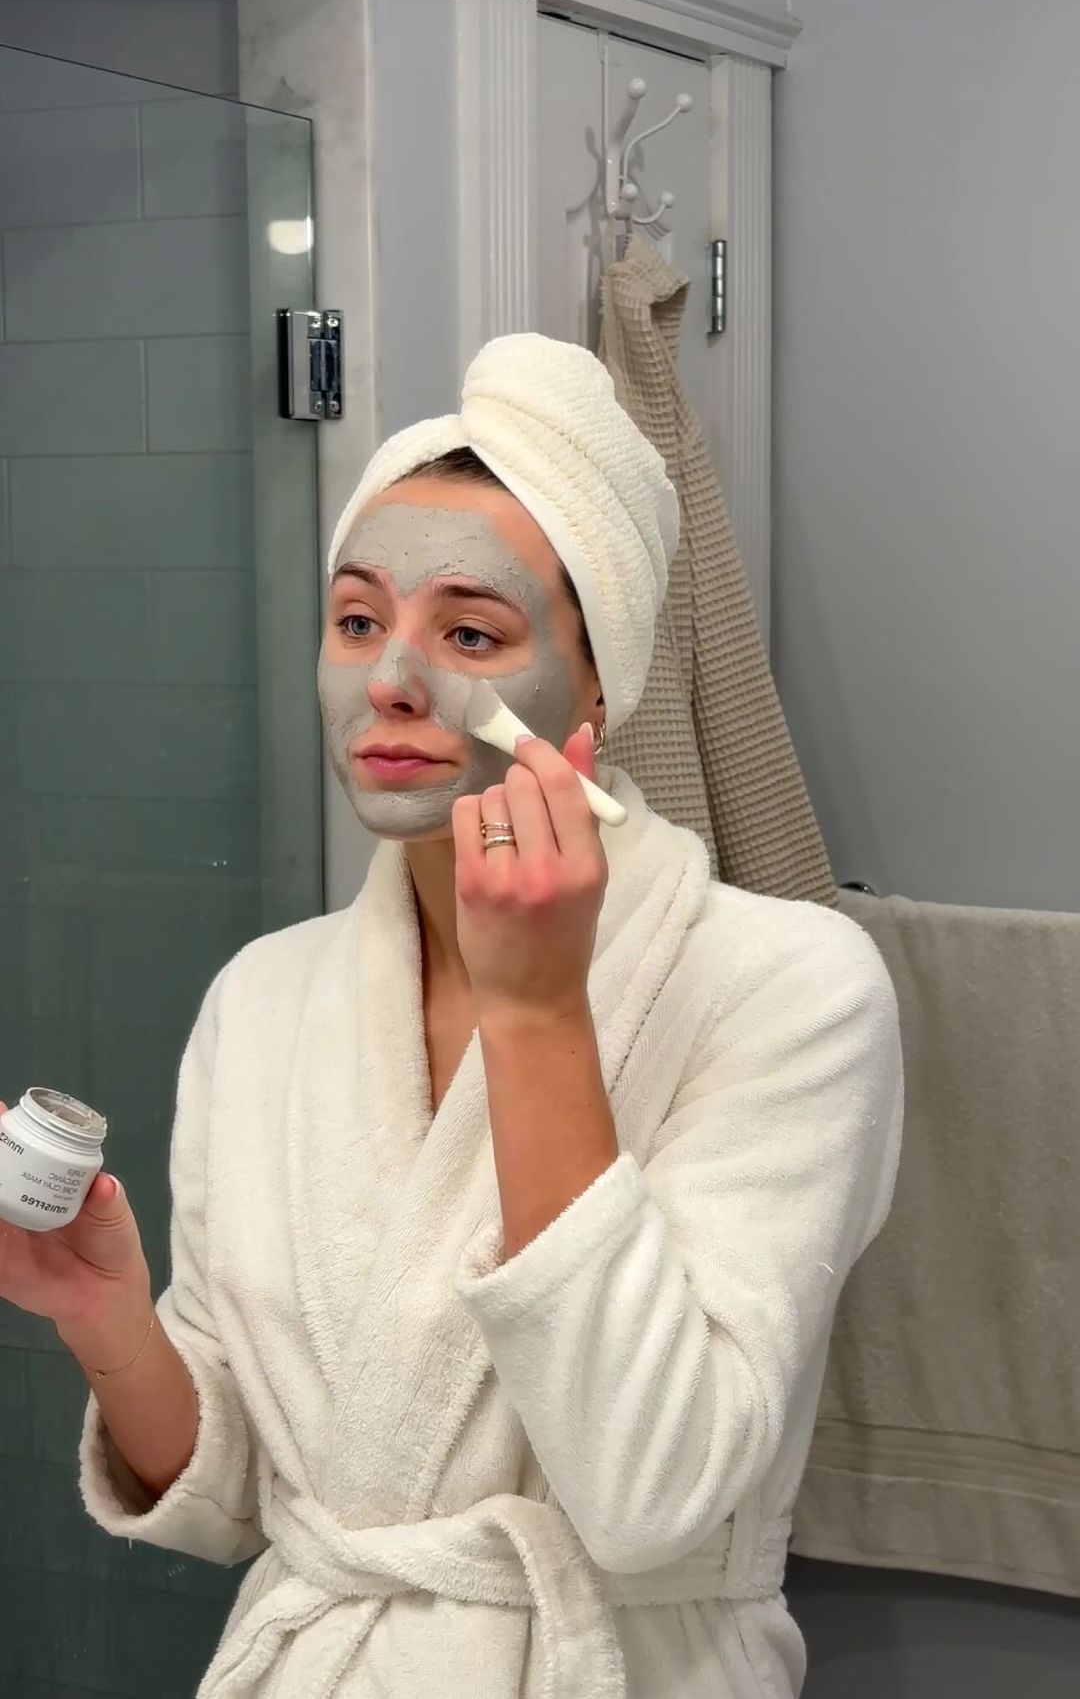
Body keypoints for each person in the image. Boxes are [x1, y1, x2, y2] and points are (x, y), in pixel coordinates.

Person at [0, 335, 902, 1698]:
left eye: (470, 633)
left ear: (599, 689)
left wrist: (537, 1012)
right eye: (358, 621)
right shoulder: (265, 999)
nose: (390, 681)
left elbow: (653, 1495)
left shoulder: (790, 989)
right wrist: (110, 1319)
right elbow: (243, 1497)